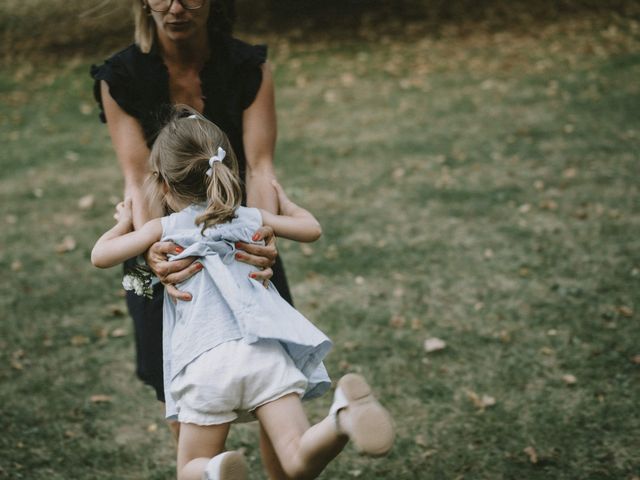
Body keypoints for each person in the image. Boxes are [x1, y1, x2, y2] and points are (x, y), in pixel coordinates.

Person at [91, 110, 395, 480]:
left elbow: (101, 256)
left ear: (165, 187)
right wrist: (284, 202)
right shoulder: (248, 218)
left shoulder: (163, 229)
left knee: (189, 466)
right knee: (296, 460)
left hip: (205, 361)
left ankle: (214, 470)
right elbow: (310, 228)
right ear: (227, 171)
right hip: (264, 352)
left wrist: (123, 222)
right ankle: (341, 419)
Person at [90, 1, 292, 471]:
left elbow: (259, 167)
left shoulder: (249, 68)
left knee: (276, 382)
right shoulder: (119, 77)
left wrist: (262, 235)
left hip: (241, 238)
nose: (177, 7)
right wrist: (153, 253)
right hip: (158, 241)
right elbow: (138, 175)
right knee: (185, 394)